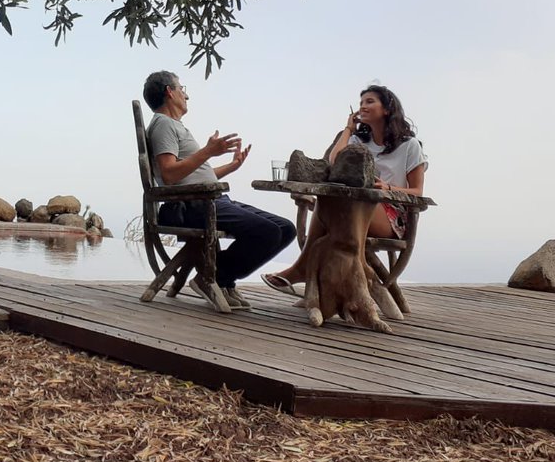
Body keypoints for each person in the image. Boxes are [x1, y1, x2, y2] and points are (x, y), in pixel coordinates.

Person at [142, 70, 297, 310]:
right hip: (191, 206)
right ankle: (212, 278)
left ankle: (220, 278)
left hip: (210, 199)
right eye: (182, 88)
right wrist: (207, 151)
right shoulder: (164, 125)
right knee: (267, 232)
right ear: (169, 92)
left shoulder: (175, 126)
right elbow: (170, 174)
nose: (186, 95)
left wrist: (232, 166)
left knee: (286, 229)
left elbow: (197, 175)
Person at [261, 84, 428, 296]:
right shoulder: (359, 141)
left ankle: (302, 269)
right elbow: (334, 161)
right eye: (360, 103)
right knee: (328, 198)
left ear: (387, 109)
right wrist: (349, 129)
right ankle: (309, 273)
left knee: (344, 204)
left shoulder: (409, 145)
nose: (362, 107)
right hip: (351, 208)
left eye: (369, 101)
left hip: (391, 214)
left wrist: (386, 187)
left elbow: (417, 191)